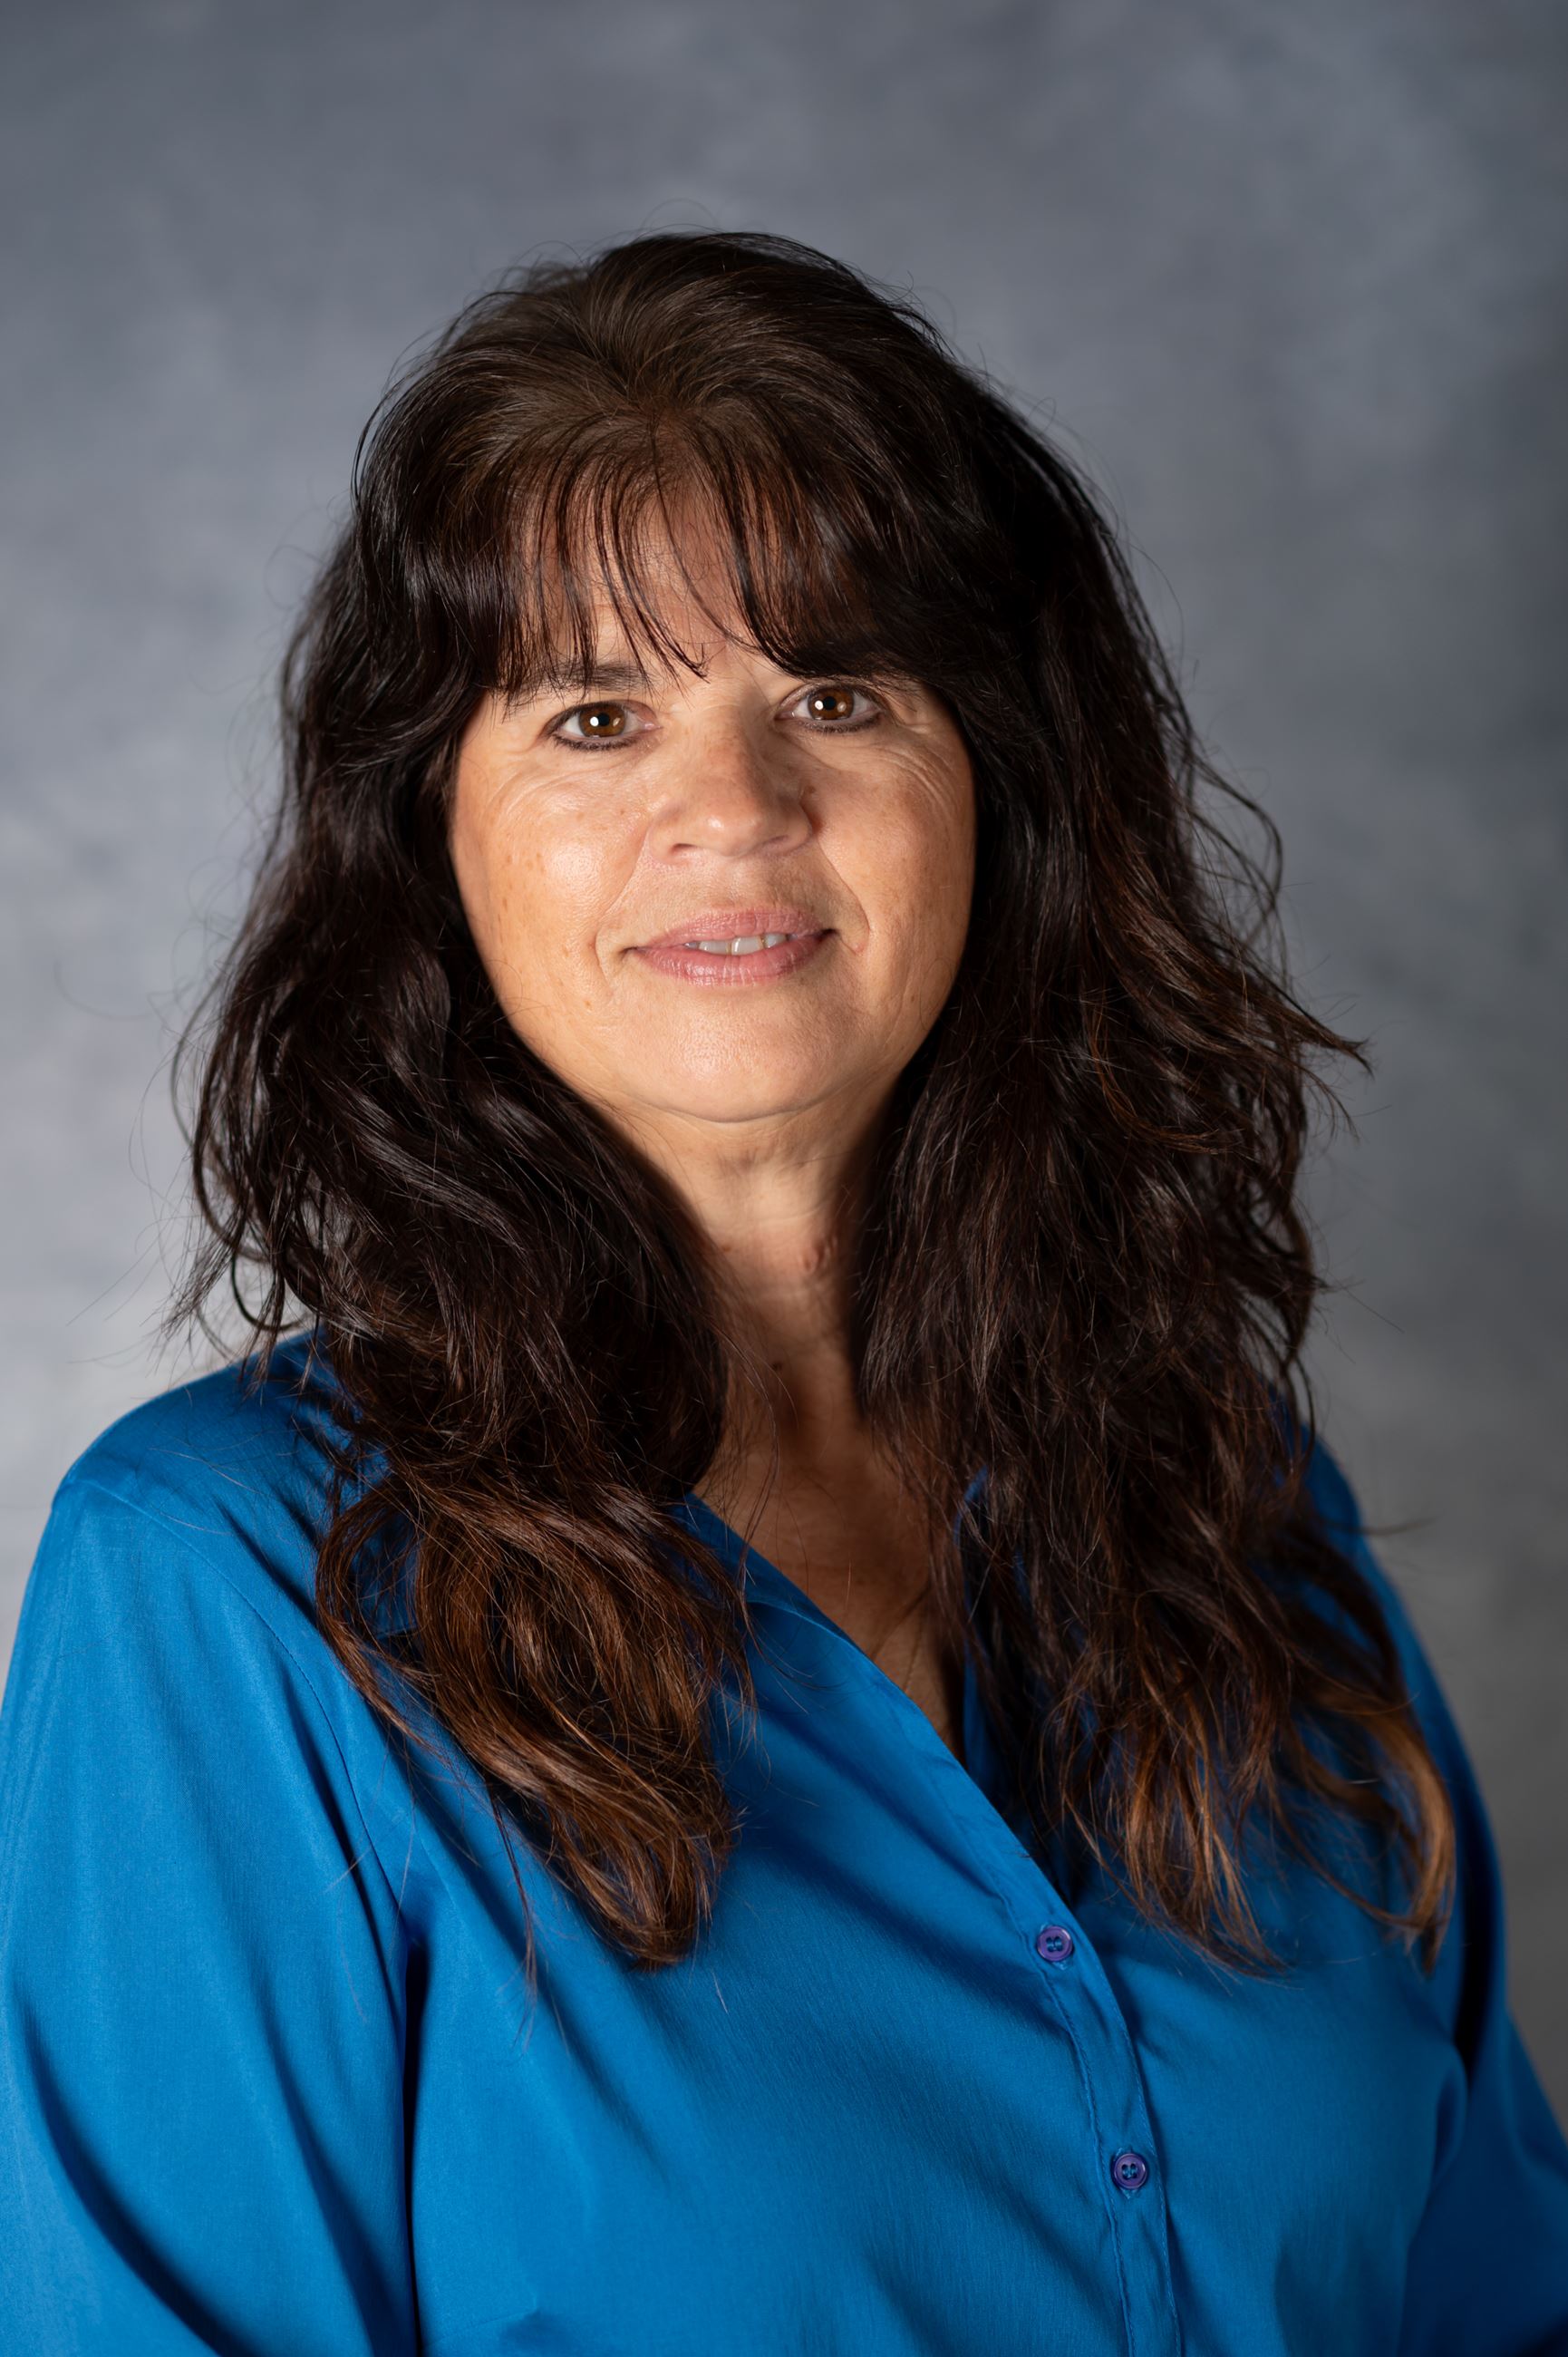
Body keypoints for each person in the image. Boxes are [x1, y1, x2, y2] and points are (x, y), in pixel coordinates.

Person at [1, 228, 1564, 2356]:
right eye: (595, 712)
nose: (731, 809)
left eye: (835, 693)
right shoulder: (227, 1588)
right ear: (433, 834)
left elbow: (1494, 2297)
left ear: (998, 793)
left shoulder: (1224, 1495)